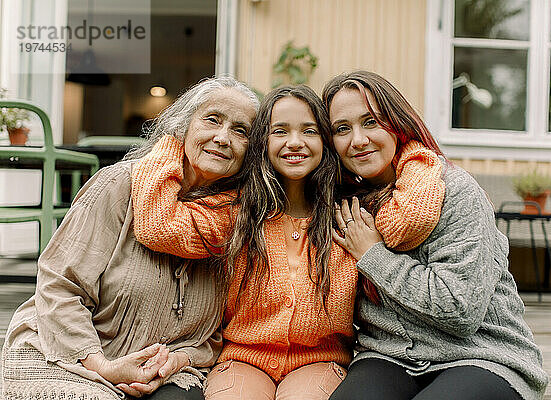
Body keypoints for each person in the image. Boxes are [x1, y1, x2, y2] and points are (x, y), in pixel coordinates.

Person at [130, 84, 445, 400]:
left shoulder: (348, 214)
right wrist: (172, 140)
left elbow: (410, 220)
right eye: (280, 131)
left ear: (326, 142)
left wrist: (409, 152)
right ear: (262, 143)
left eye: (309, 131)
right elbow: (158, 226)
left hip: (320, 361)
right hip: (242, 359)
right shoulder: (238, 213)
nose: (295, 143)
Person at [1, 76, 259, 400]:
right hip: (73, 357)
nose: (223, 138)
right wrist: (103, 366)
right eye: (212, 119)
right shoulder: (121, 185)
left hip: (167, 370)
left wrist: (178, 360)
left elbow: (215, 334)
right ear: (185, 124)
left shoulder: (240, 220)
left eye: (241, 130)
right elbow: (58, 286)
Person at [321, 70, 548, 400]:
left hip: (481, 354)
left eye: (370, 122)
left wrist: (373, 255)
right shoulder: (343, 205)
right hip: (390, 354)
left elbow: (460, 311)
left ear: (397, 123)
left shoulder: (453, 191)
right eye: (342, 129)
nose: (358, 140)